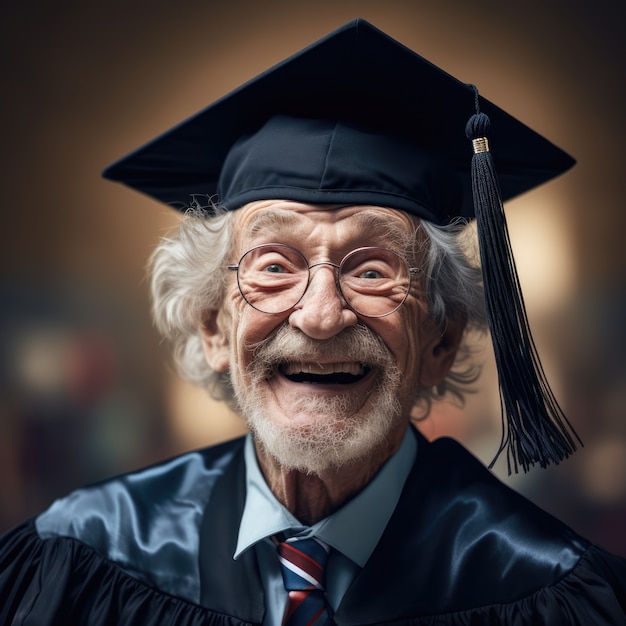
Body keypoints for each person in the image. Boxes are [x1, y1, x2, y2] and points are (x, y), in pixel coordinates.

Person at [1, 18, 625, 625]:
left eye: (374, 271)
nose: (322, 315)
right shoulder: (82, 558)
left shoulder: (550, 591)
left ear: (442, 337)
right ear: (214, 327)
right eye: (273, 266)